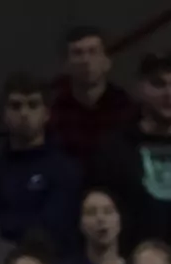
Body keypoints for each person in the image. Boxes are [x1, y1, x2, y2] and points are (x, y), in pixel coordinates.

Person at [91, 52, 171, 249]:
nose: (169, 94)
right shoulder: (115, 146)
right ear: (140, 88)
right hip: (132, 260)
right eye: (158, 84)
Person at [0, 74, 80, 253]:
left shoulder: (65, 169)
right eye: (15, 106)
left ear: (47, 114)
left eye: (32, 105)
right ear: (4, 114)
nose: (24, 113)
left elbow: (55, 226)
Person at [50, 27, 136, 167]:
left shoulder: (126, 108)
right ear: (66, 65)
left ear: (107, 62)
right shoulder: (54, 112)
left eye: (93, 52)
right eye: (78, 53)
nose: (86, 60)